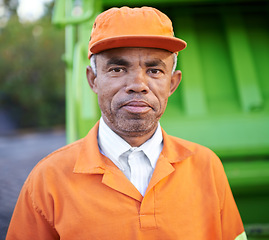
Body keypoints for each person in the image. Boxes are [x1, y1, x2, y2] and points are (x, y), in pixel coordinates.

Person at [6, 6, 247, 240]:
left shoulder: (207, 167)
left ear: (172, 84)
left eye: (154, 70)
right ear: (93, 80)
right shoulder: (48, 179)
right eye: (118, 68)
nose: (138, 84)